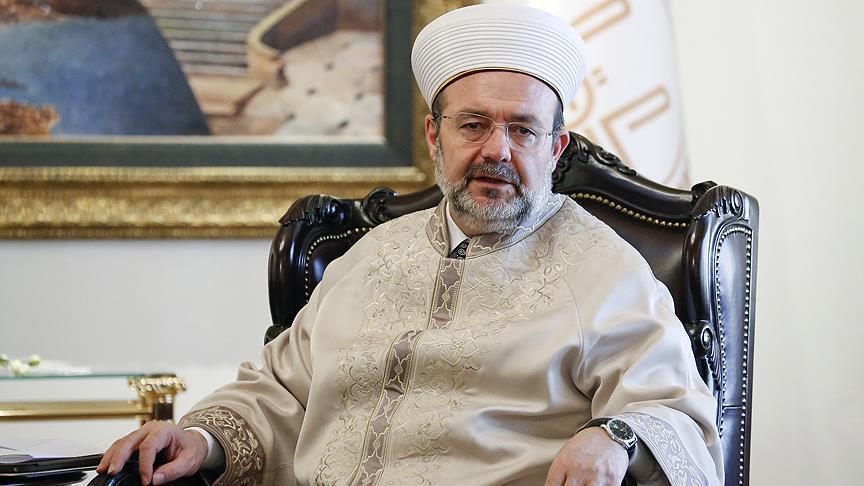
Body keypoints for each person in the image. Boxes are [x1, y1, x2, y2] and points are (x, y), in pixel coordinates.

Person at [98, 4, 723, 485]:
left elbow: (677, 412)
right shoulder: (371, 255)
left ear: (555, 148)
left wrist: (614, 437)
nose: (497, 151)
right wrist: (200, 439)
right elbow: (280, 391)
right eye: (473, 124)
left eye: (523, 130)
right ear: (434, 136)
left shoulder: (602, 269)